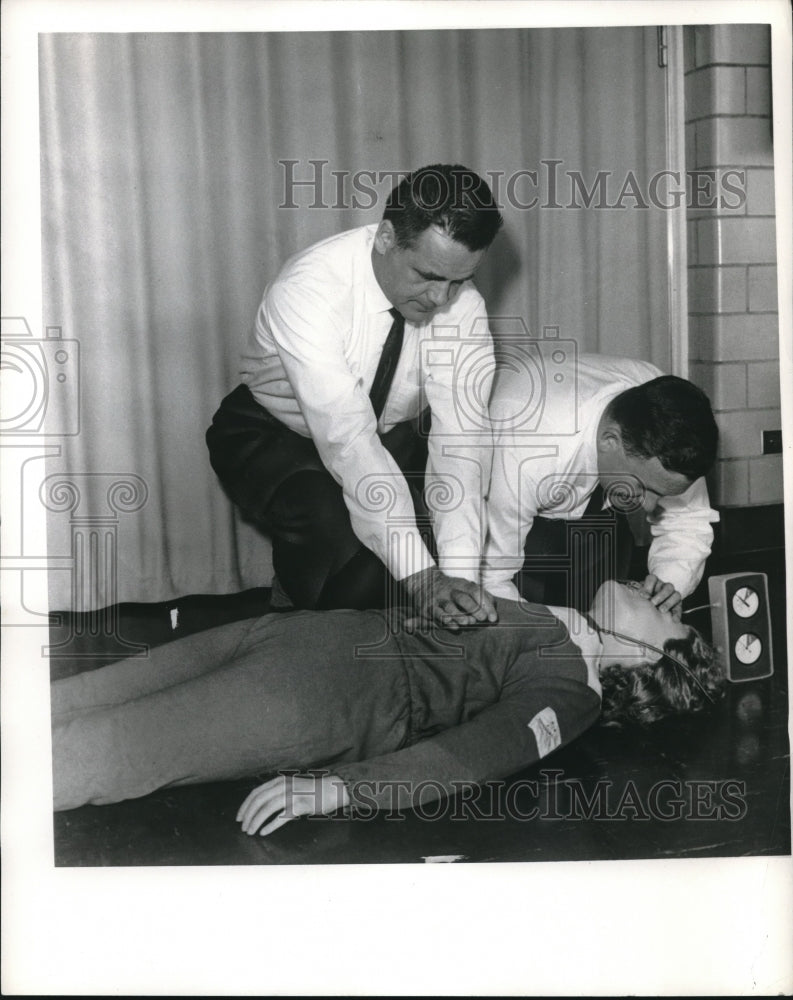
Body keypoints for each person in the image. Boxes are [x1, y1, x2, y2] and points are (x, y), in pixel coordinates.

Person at [51, 580, 723, 836]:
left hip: (318, 700)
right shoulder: (570, 623)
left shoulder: (572, 693)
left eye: (666, 618)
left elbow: (471, 759)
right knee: (70, 703)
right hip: (302, 634)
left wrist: (339, 790)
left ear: (643, 659)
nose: (655, 594)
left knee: (95, 755)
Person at [206, 164, 503, 628]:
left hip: (385, 432)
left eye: (458, 280)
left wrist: (455, 583)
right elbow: (348, 440)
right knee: (341, 544)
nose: (441, 299)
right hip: (274, 431)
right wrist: (424, 581)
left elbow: (461, 443)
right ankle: (292, 616)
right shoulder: (309, 289)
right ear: (386, 237)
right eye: (427, 275)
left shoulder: (463, 306)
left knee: (410, 552)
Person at [482, 353, 720, 620]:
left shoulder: (667, 415)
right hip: (476, 479)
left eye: (661, 494)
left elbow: (688, 522)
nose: (651, 507)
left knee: (605, 616)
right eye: (643, 488)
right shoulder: (530, 445)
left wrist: (667, 586)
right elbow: (492, 579)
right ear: (610, 440)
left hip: (582, 494)